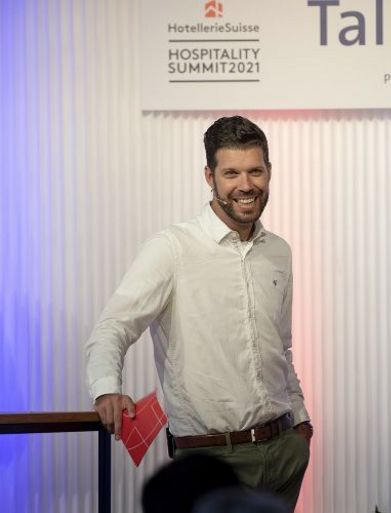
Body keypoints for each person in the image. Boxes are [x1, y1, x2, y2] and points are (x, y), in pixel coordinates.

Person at [86, 116, 312, 512]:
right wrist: (107, 388)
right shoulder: (172, 248)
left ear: (269, 171)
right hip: (211, 461)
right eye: (231, 173)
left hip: (284, 452)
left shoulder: (279, 251)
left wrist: (300, 421)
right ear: (210, 176)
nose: (246, 185)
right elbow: (113, 326)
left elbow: (282, 345)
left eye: (255, 171)